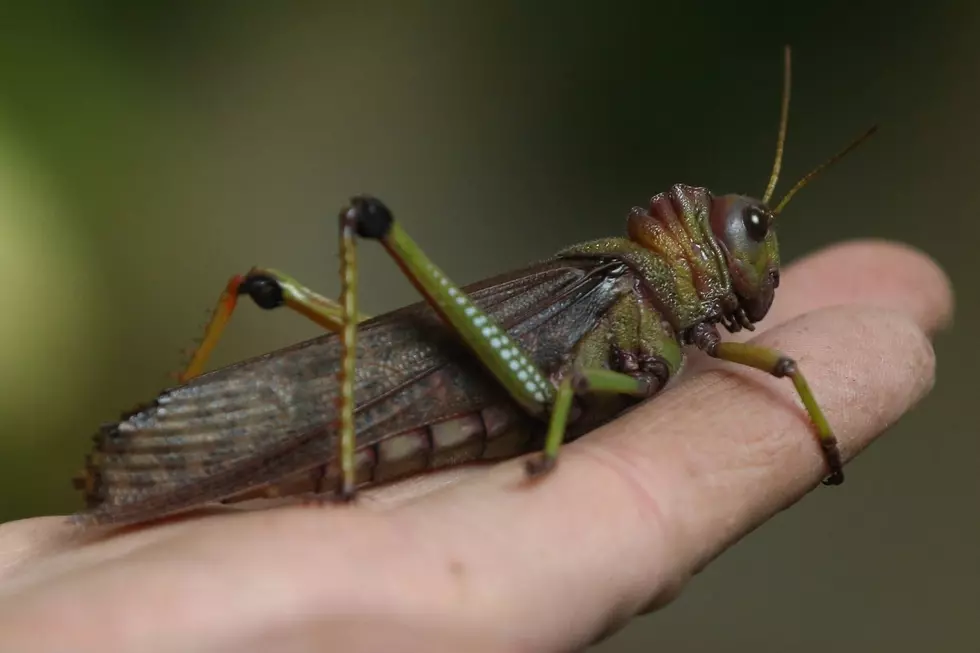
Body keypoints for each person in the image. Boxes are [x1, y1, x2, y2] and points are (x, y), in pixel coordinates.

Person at [0, 240, 952, 653]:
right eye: (756, 238)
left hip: (500, 392)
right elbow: (577, 384)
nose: (768, 267)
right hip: (478, 390)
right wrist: (548, 438)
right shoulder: (627, 292)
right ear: (706, 250)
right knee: (296, 274)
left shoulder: (679, 325)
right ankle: (169, 447)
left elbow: (775, 372)